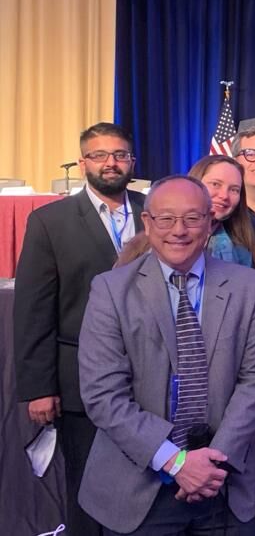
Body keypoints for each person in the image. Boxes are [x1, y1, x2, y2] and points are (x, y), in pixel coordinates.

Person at [76, 175, 255, 534]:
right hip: (139, 486)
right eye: (166, 219)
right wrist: (176, 462)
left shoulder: (249, 288)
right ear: (147, 223)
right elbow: (103, 395)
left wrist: (211, 464)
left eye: (192, 218)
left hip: (224, 483)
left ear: (210, 222)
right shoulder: (110, 291)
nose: (179, 230)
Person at [13, 122, 146, 536]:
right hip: (78, 383)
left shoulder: (156, 209)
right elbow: (33, 309)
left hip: (150, 378)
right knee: (88, 489)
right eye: (100, 155)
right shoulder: (50, 221)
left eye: (120, 155)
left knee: (145, 490)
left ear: (132, 161)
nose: (111, 163)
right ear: (83, 161)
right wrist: (38, 387)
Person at [115, 156, 255, 272]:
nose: (224, 195)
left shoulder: (245, 245)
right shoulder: (141, 248)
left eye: (234, 190)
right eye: (215, 184)